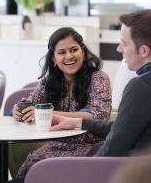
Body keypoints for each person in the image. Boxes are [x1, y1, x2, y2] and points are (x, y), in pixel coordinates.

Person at [49, 9, 151, 156]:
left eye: (124, 43)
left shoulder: (142, 86)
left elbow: (112, 150)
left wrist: (81, 168)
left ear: (144, 50)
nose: (119, 49)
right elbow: (125, 128)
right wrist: (79, 123)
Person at [13, 27, 112, 179]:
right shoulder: (48, 82)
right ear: (53, 58)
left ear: (83, 51)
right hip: (57, 146)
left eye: (74, 50)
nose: (69, 56)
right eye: (61, 52)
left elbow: (98, 115)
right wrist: (19, 110)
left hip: (91, 147)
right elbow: (30, 104)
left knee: (46, 169)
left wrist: (48, 113)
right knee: (32, 167)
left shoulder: (98, 78)